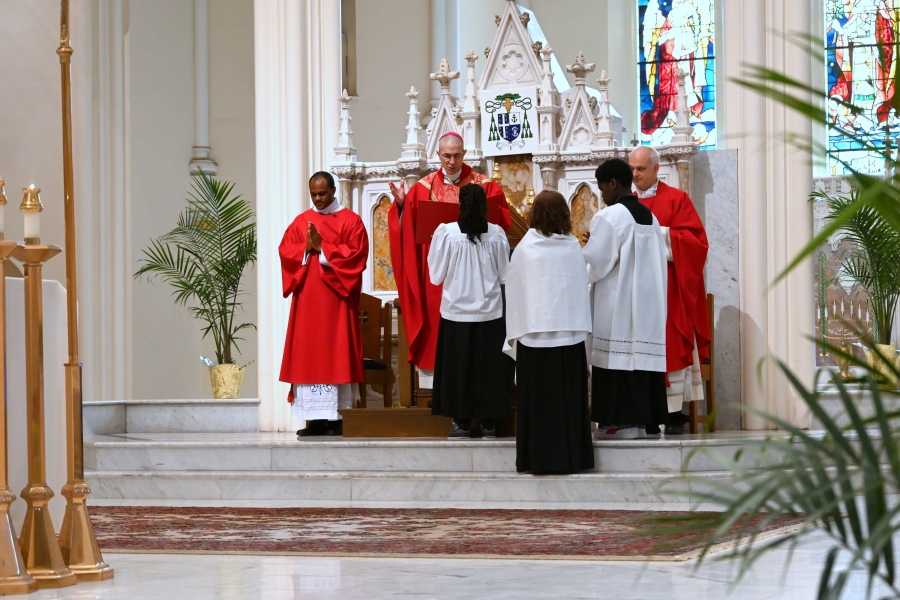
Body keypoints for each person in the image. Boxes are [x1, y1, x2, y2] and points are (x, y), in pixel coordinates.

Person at [388, 132, 511, 385]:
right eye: (446, 156)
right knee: (441, 332)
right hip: (441, 275)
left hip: (479, 276)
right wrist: (401, 206)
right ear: (438, 155)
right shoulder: (423, 189)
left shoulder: (485, 186)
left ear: (464, 154)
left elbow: (502, 224)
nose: (452, 161)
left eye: (456, 155)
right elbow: (408, 231)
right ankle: (438, 385)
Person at [504, 190, 594, 474]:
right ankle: (573, 458)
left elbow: (514, 292)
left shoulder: (524, 250)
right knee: (567, 403)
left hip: (533, 338)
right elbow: (581, 289)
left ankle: (535, 459)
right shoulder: (571, 249)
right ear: (565, 216)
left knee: (538, 405)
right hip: (569, 338)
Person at [583, 159, 669, 439]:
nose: (602, 196)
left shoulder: (609, 217)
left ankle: (620, 423)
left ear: (612, 183)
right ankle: (644, 423)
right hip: (648, 305)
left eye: (601, 189)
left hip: (618, 304)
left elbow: (596, 264)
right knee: (641, 358)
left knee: (617, 358)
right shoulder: (650, 217)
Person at [279, 172, 369, 437]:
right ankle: (314, 420)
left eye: (323, 194)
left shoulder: (352, 222)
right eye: (314, 194)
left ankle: (336, 419)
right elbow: (286, 251)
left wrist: (324, 248)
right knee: (309, 354)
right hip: (308, 301)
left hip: (336, 303)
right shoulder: (301, 222)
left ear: (333, 190)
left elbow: (357, 257)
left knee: (336, 351)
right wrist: (306, 249)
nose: (318, 199)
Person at [629, 146, 711, 434]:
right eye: (632, 169)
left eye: (640, 169)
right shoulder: (626, 205)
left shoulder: (677, 199)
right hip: (637, 295)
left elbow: (696, 243)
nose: (635, 174)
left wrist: (657, 235)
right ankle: (642, 410)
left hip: (668, 292)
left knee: (670, 343)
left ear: (655, 168)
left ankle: (672, 411)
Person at [427, 183, 511, 439]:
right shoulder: (496, 234)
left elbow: (435, 276)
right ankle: (488, 423)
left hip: (456, 314)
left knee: (459, 369)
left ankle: (461, 422)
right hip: (490, 314)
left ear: (460, 205)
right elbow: (505, 276)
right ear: (485, 205)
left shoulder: (447, 233)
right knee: (488, 370)